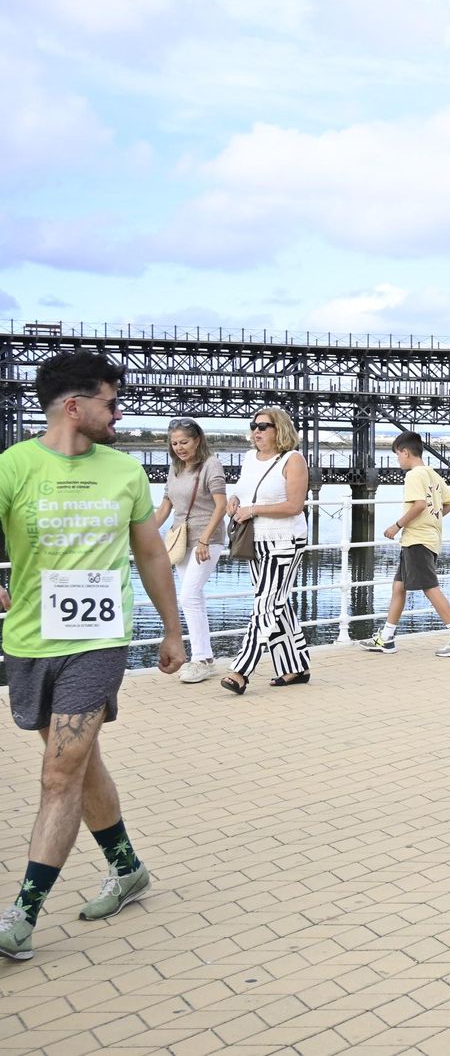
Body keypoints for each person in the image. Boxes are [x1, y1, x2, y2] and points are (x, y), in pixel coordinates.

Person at [0, 352, 184, 962]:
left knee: (58, 774)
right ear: (73, 406)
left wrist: (171, 630)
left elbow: (153, 555)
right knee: (79, 765)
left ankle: (20, 919)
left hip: (98, 642)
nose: (120, 411)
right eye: (110, 401)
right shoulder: (15, 467)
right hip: (29, 642)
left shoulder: (125, 472)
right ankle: (127, 867)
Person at [219, 407, 311, 694]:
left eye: (264, 426)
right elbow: (243, 491)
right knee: (275, 603)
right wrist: (234, 501)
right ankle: (296, 666)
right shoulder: (249, 458)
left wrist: (253, 509)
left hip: (284, 541)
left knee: (266, 604)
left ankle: (241, 670)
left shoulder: (293, 460)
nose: (257, 431)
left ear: (279, 429)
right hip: (253, 540)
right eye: (254, 426)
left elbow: (294, 506)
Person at [359, 431, 450, 656]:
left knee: (430, 588)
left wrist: (396, 525)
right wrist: (433, 520)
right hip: (426, 538)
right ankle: (387, 637)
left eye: (397, 455)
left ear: (405, 451)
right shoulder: (432, 473)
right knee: (399, 587)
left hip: (417, 540)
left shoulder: (413, 476)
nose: (397, 460)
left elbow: (419, 504)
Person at [152, 418, 227, 683]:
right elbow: (164, 508)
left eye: (184, 442)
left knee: (188, 596)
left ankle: (200, 659)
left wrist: (205, 539)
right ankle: (205, 657)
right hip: (181, 540)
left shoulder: (211, 465)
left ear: (197, 440)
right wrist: (142, 532)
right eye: (174, 443)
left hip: (207, 540)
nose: (179, 447)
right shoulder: (175, 469)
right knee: (194, 599)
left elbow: (221, 506)